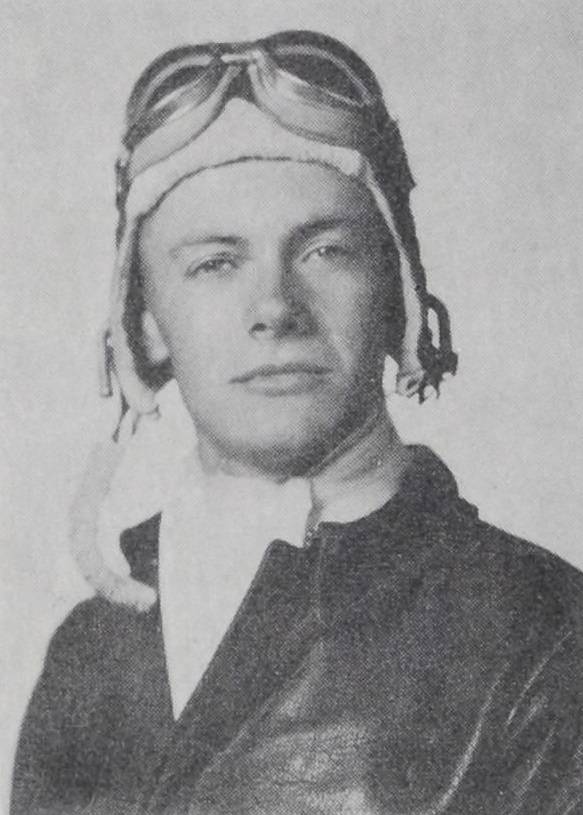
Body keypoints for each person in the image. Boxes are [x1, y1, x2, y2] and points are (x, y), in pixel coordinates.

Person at [10, 30, 583, 815]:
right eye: (215, 262)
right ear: (143, 323)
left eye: (323, 251)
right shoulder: (90, 651)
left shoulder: (543, 631)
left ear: (398, 292)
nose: (275, 307)